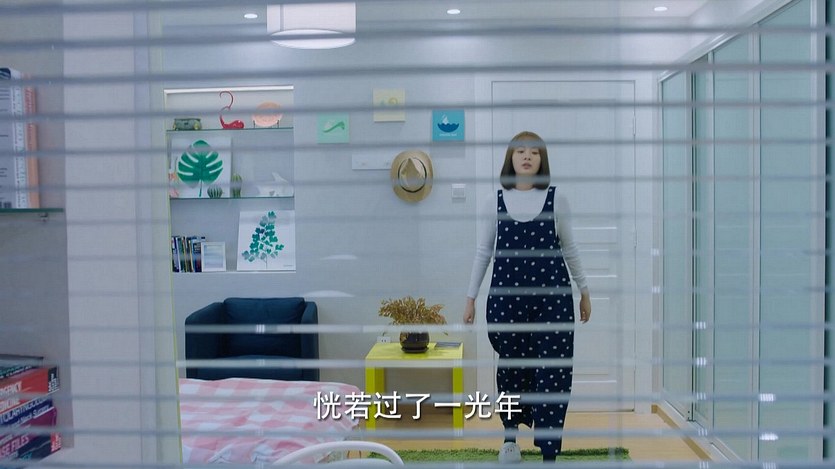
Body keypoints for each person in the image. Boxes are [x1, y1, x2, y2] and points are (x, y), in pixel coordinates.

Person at [463, 130, 591, 463]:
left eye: (534, 152)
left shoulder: (556, 199)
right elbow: (483, 252)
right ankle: (510, 438)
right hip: (507, 304)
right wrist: (470, 298)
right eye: (520, 151)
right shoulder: (494, 201)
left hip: (553, 302)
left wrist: (584, 291)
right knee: (511, 369)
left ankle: (549, 451)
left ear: (541, 160)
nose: (527, 156)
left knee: (552, 373)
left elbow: (570, 248)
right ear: (511, 158)